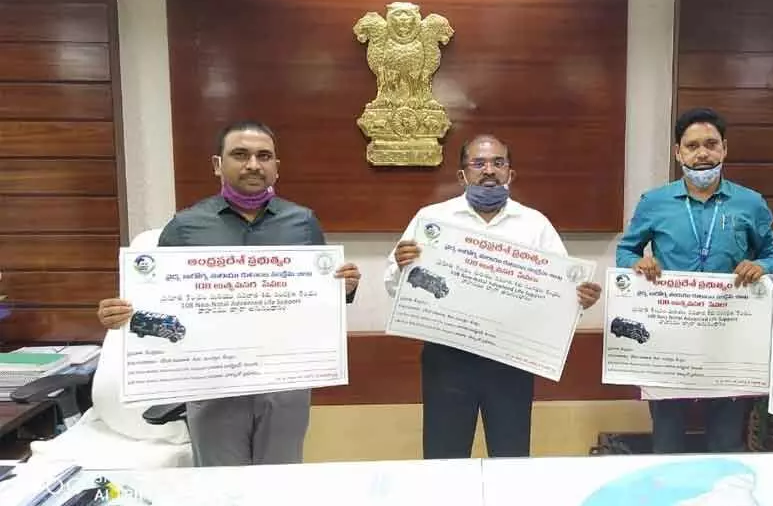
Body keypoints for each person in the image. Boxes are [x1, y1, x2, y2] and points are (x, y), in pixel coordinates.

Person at [96, 120, 361, 467]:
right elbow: (158, 306)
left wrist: (344, 288)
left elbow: (316, 302)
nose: (253, 164)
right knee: (220, 489)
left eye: (263, 156)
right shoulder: (186, 226)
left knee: (280, 484)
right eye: (240, 154)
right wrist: (124, 316)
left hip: (283, 382)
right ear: (218, 164)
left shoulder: (302, 222)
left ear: (276, 168)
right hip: (211, 384)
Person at [384, 134, 602, 459]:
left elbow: (561, 290)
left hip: (511, 360)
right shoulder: (432, 220)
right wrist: (403, 267)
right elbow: (392, 284)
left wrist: (579, 299)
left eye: (498, 163)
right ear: (462, 175)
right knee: (444, 457)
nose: (489, 170)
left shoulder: (534, 224)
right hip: (449, 358)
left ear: (510, 173)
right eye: (479, 163)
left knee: (511, 456)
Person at [615, 107, 773, 454]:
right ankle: (666, 503)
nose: (702, 153)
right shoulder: (655, 201)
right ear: (679, 153)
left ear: (725, 149)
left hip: (731, 336)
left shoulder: (750, 203)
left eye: (711, 144)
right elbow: (625, 253)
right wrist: (638, 263)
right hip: (669, 336)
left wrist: (760, 265)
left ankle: (724, 503)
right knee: (668, 435)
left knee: (726, 438)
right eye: (692, 146)